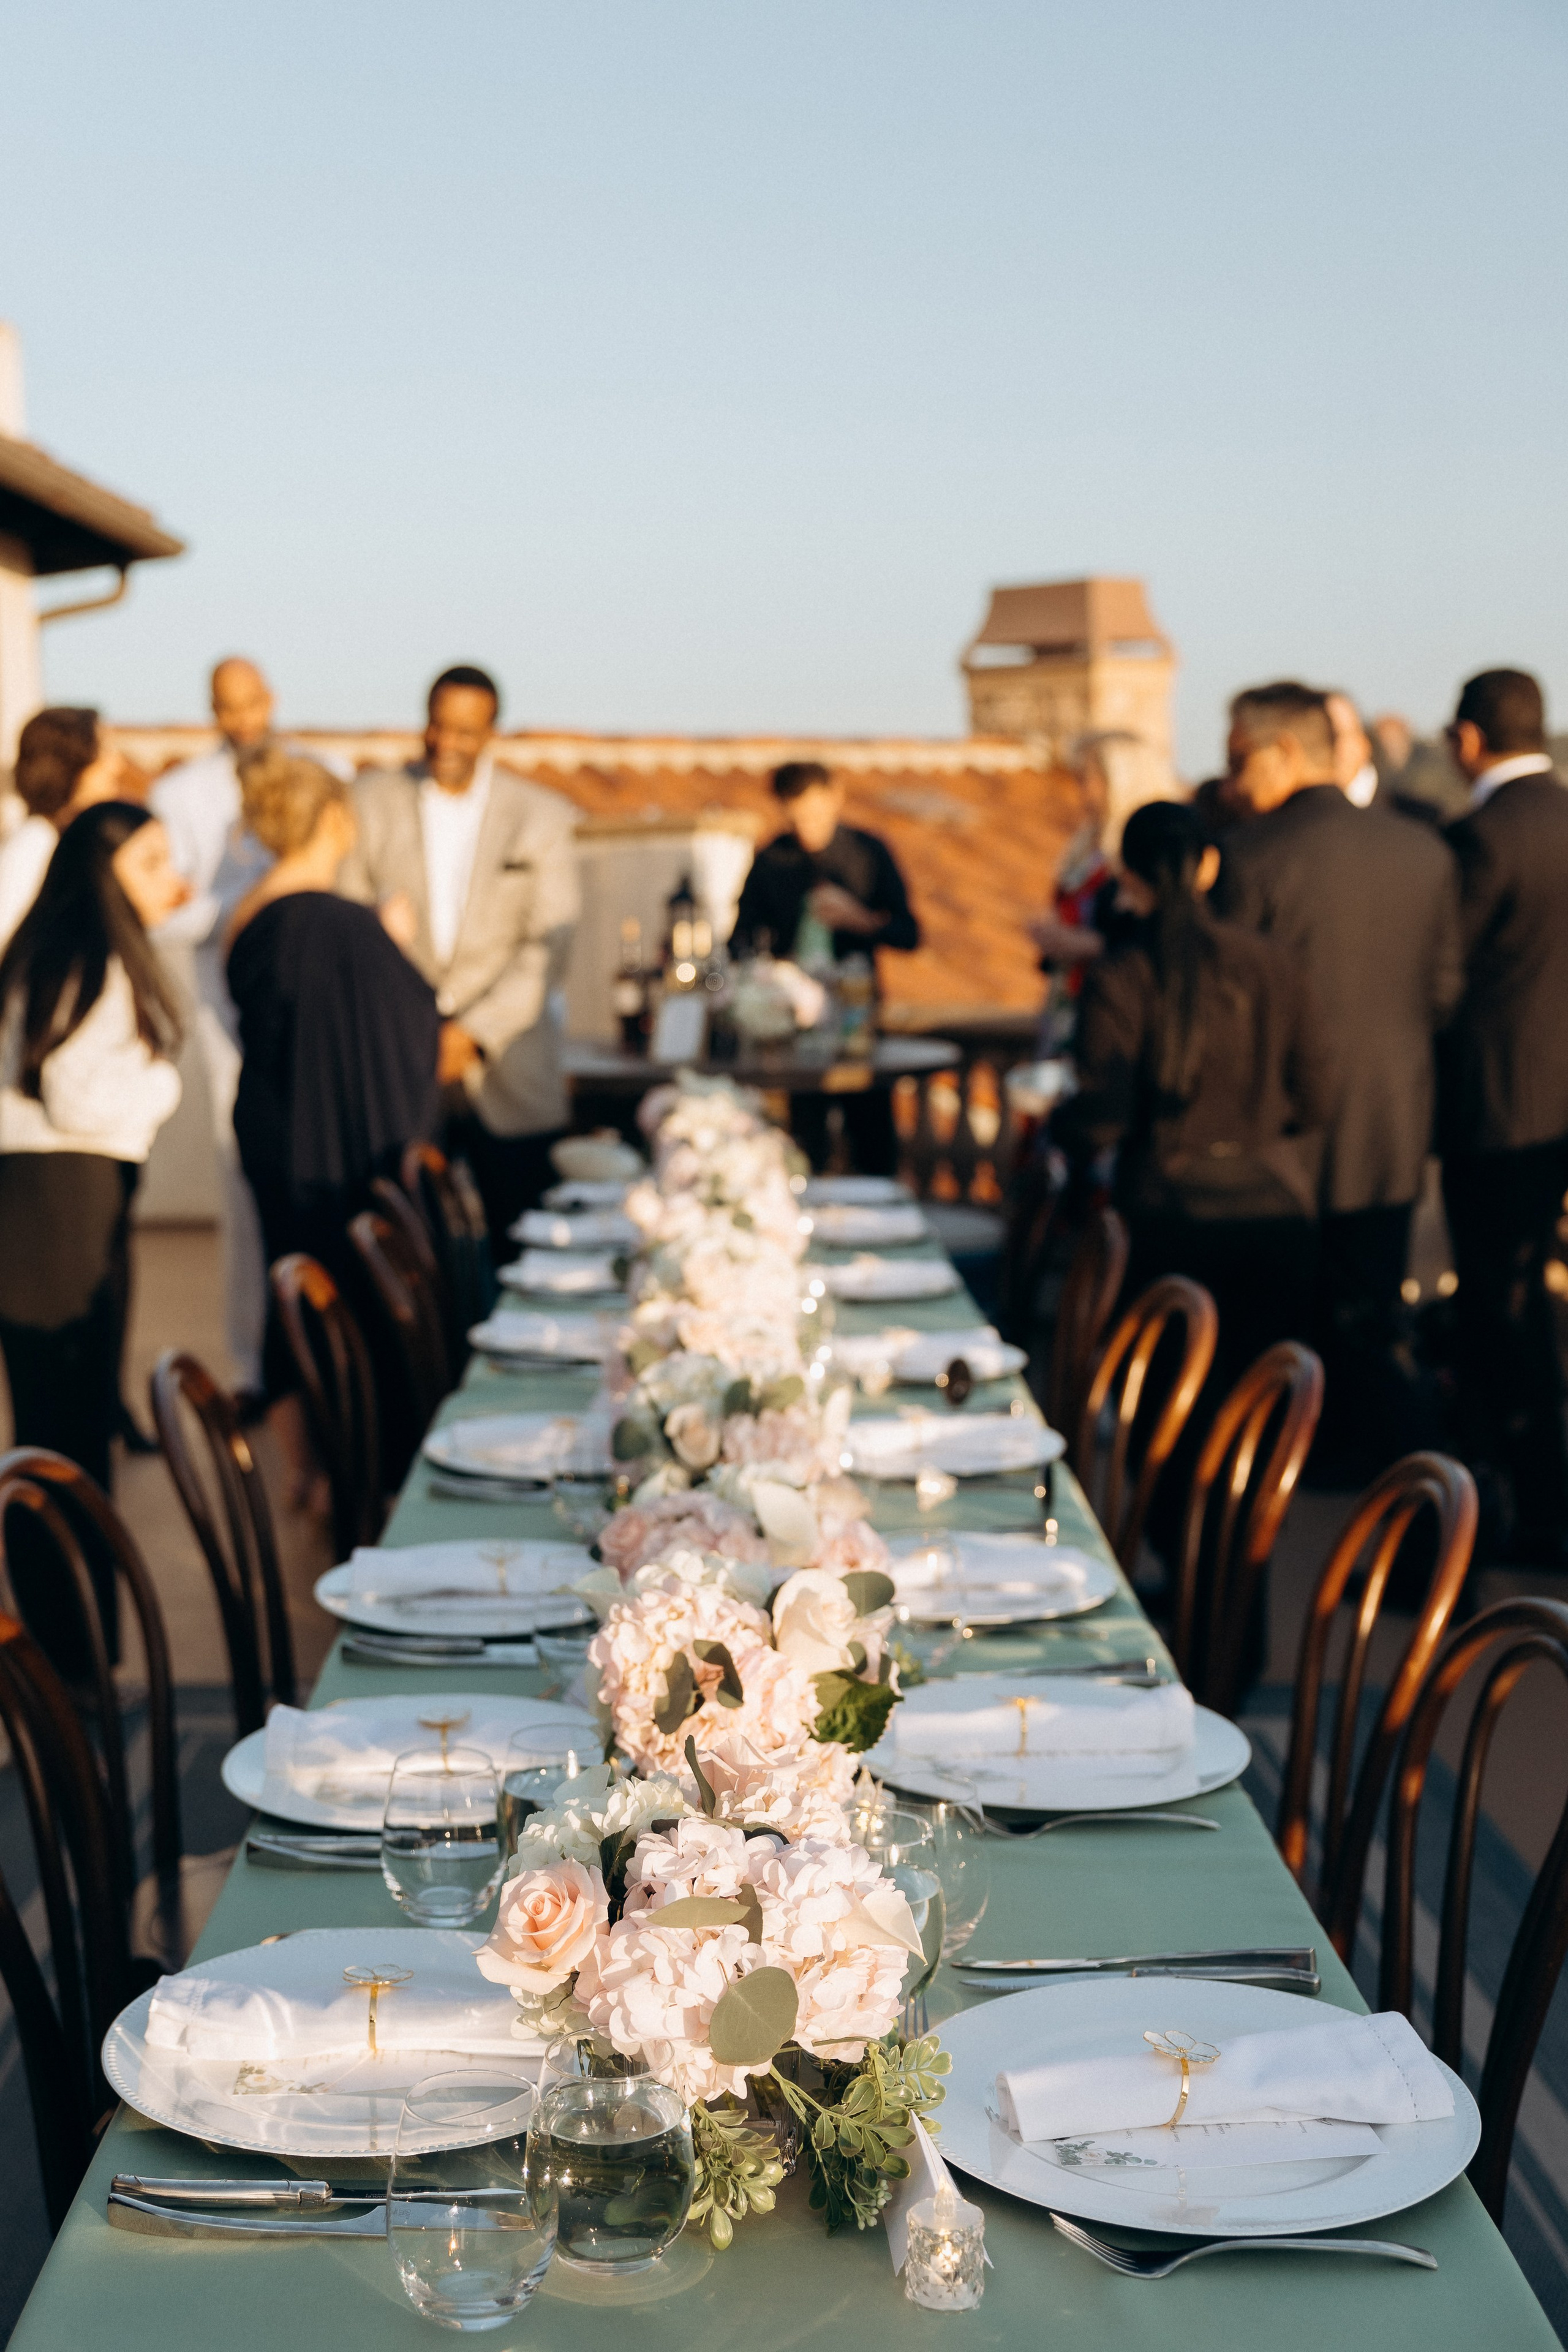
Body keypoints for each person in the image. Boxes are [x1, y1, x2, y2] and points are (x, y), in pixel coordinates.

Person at [1213, 680, 1463, 1478]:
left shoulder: (1250, 857)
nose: (1230, 779)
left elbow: (1231, 1005)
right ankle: (1385, 1472)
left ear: (1285, 752)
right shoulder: (1424, 851)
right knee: (1372, 1306)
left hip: (1282, 1122)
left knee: (1289, 1316)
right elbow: (1445, 993)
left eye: (1239, 757)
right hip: (1392, 1114)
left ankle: (1302, 1459)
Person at [1055, 798, 1332, 1403]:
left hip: (1166, 1211)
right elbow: (1316, 1100)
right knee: (1259, 1408)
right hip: (1273, 1209)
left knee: (1169, 1411)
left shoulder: (1122, 975)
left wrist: (1058, 1122)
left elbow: (1103, 1118)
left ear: (1129, 878)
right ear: (1207, 867)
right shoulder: (1274, 963)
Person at [225, 747, 441, 1500]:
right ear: (332, 817)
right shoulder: (348, 924)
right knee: (349, 1283)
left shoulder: (247, 913)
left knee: (288, 1281)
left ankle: (302, 1472)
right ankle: (356, 1464)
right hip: (339, 1137)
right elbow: (411, 1020)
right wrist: (393, 944)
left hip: (273, 1126)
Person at [0, 802, 187, 1670]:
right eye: (149, 861)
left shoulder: (60, 944)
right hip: (58, 1197)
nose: (167, 877)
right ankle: (71, 1673)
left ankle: (73, 1667)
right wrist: (163, 1086)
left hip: (53, 1197)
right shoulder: (88, 953)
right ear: (103, 870)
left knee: (60, 1434)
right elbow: (75, 1092)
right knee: (63, 1441)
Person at [150, 658, 351, 1411]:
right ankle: (254, 1366)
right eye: (225, 708)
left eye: (250, 704)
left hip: (315, 1007)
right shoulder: (179, 794)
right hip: (229, 1012)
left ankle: (330, 1353)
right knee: (242, 1177)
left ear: (271, 699)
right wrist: (254, 900)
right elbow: (166, 913)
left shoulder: (325, 773)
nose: (241, 721)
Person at [336, 666, 579, 1248]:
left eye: (464, 732)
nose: (446, 743)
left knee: (525, 1241)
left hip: (509, 1070)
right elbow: (345, 915)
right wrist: (411, 1026)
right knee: (412, 1247)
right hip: (402, 1065)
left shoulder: (542, 816)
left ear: (492, 733)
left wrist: (471, 1034)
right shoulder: (368, 801)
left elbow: (548, 945)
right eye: (437, 726)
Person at [1438, 668, 1568, 1565]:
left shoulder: (1479, 839)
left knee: (1502, 1310)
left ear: (1470, 738)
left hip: (1499, 1106)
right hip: (1553, 1104)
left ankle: (1533, 1509)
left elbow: (1445, 978)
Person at [729, 761, 919, 1172]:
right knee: (805, 1145)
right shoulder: (772, 860)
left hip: (857, 1021)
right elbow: (739, 942)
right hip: (795, 1028)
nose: (808, 828)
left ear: (836, 798)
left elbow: (909, 933)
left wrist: (859, 920)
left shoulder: (868, 853)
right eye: (798, 818)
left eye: (815, 815)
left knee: (872, 1139)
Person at [0, 707, 130, 951]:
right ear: (69, 762)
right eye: (104, 749)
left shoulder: (71, 840)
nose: (117, 764)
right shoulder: (34, 844)